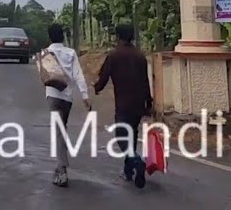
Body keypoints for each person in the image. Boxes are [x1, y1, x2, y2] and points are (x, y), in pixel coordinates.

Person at [93, 23, 153, 188]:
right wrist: (149, 102)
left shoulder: (114, 55)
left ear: (117, 37)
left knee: (121, 136)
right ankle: (128, 171)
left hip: (124, 103)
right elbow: (145, 81)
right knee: (132, 134)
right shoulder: (140, 56)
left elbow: (104, 77)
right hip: (139, 103)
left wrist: (96, 88)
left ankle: (136, 161)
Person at [43, 23, 91, 187]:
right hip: (67, 98)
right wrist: (85, 96)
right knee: (61, 129)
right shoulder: (70, 53)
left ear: (49, 37)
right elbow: (78, 75)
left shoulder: (46, 53)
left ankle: (62, 170)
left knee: (59, 132)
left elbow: (45, 78)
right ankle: (60, 167)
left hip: (53, 96)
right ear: (62, 36)